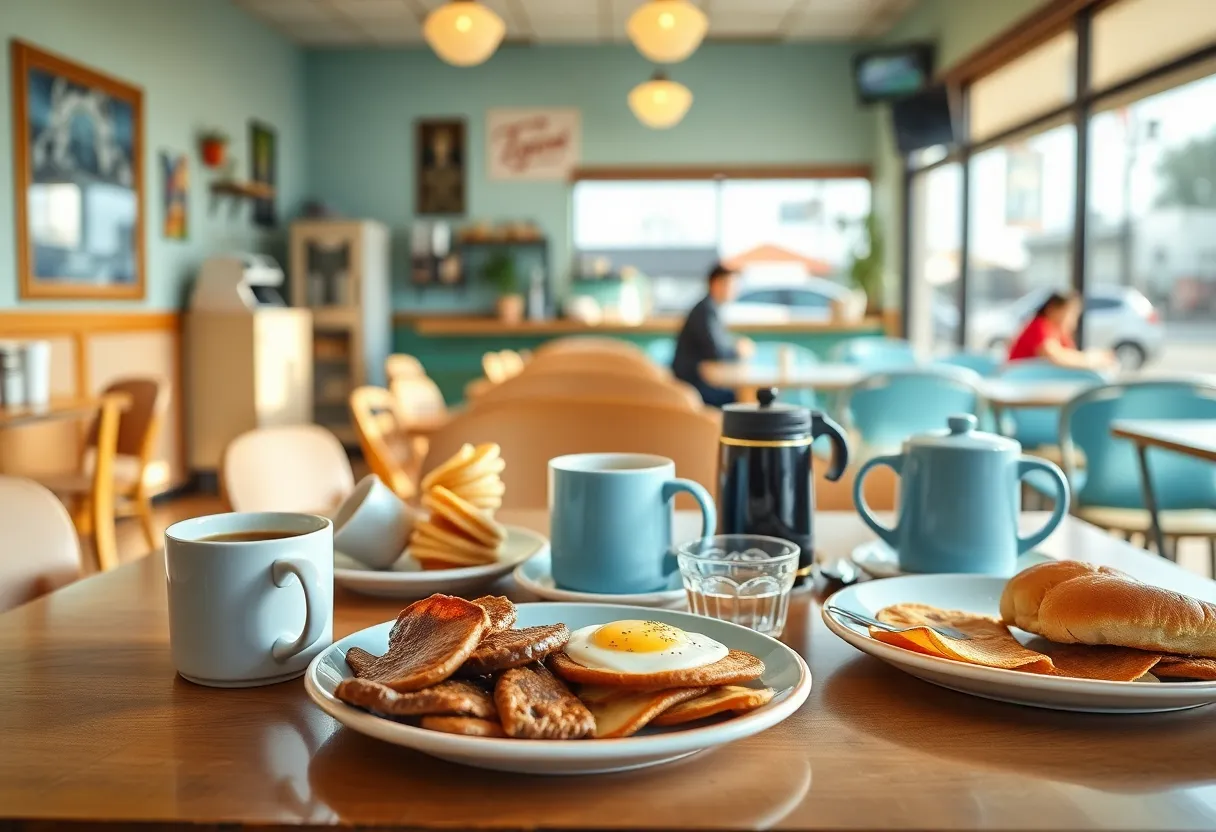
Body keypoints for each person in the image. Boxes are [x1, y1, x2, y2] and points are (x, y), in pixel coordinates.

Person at [672, 264, 754, 406]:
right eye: (731, 285)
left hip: (695, 381)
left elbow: (718, 344)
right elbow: (716, 352)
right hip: (691, 386)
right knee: (737, 400)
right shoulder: (705, 311)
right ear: (716, 284)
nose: (735, 290)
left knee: (741, 397)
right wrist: (738, 351)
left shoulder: (710, 309)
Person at [1007, 290, 1115, 370]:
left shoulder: (1057, 331)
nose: (1072, 319)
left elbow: (1070, 354)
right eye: (1069, 313)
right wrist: (1091, 360)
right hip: (1020, 381)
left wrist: (1094, 356)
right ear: (1052, 309)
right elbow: (1056, 357)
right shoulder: (1038, 326)